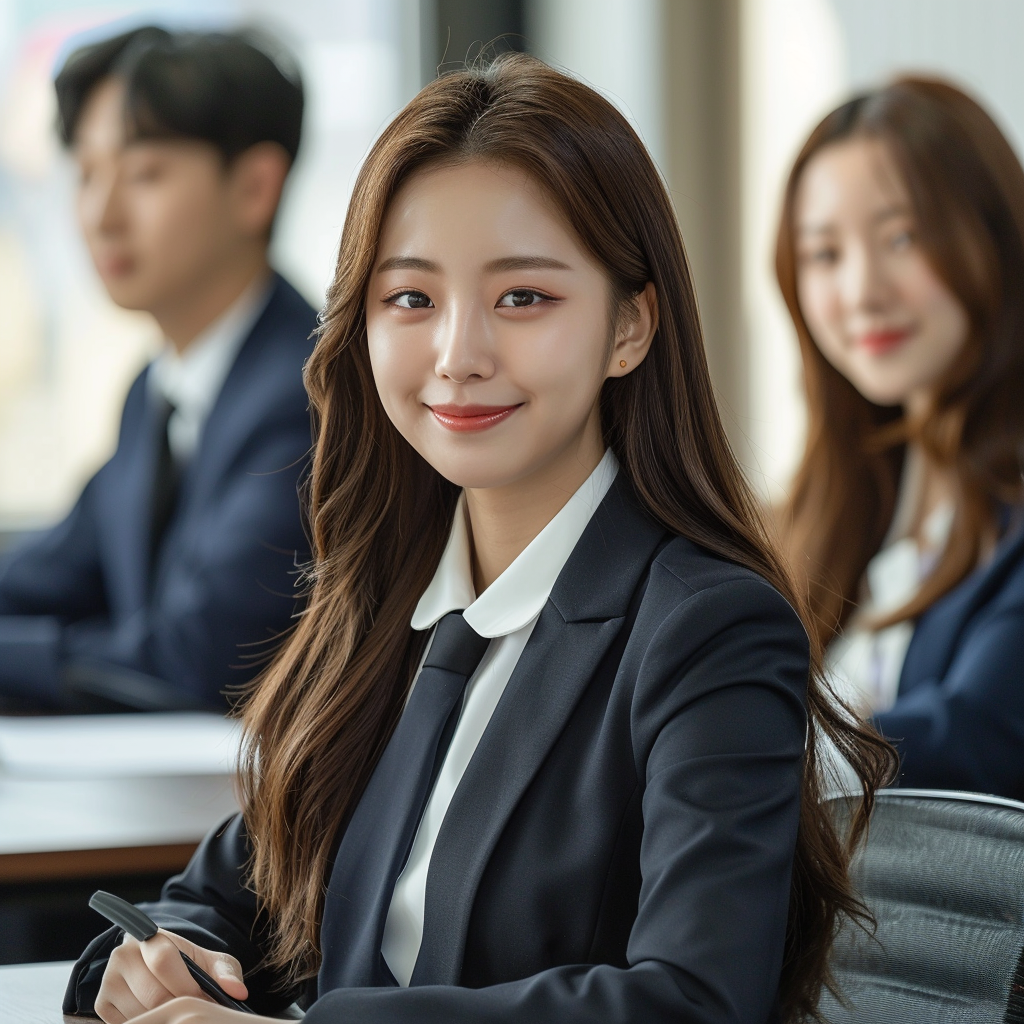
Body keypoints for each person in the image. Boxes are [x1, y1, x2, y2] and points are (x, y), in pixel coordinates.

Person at [63, 55, 893, 1024]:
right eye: (410, 298)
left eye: (523, 298)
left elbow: (690, 1002)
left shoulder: (708, 630)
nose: (458, 354)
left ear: (629, 325)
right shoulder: (381, 602)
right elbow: (217, 895)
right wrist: (159, 960)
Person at [0, 27, 318, 711]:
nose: (100, 214)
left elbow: (197, 653)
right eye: (85, 173)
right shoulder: (157, 390)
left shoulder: (311, 392)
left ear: (255, 188)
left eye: (144, 174)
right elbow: (56, 570)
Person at [775, 76, 1024, 797]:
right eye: (824, 254)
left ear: (995, 240)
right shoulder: (832, 515)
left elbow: (980, 735)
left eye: (902, 238)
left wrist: (726, 758)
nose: (861, 291)